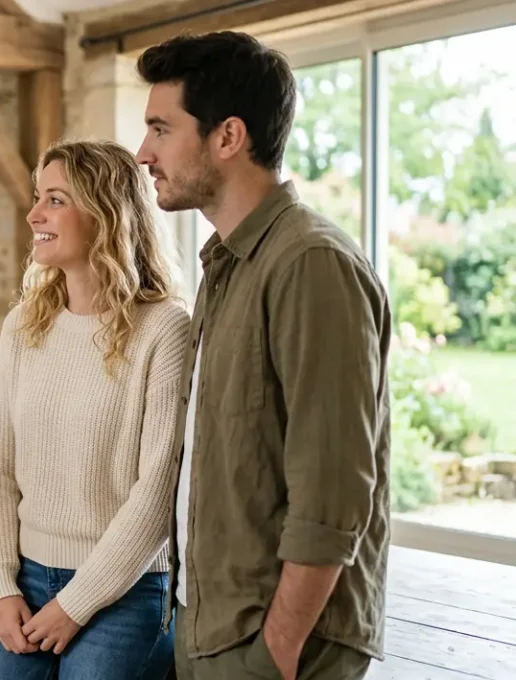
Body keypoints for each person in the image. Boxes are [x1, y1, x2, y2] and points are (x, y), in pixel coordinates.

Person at [134, 31, 392, 680]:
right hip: (209, 624)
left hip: (276, 646)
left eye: (161, 130)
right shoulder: (227, 266)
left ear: (228, 137)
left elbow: (334, 491)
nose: (144, 153)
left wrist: (276, 650)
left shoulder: (309, 263)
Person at [0, 138, 190, 680]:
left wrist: (76, 603)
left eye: (56, 200)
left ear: (107, 214)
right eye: (38, 197)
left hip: (129, 592)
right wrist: (1, 588)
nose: (34, 214)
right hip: (24, 580)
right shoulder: (23, 325)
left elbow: (158, 492)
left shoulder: (165, 329)